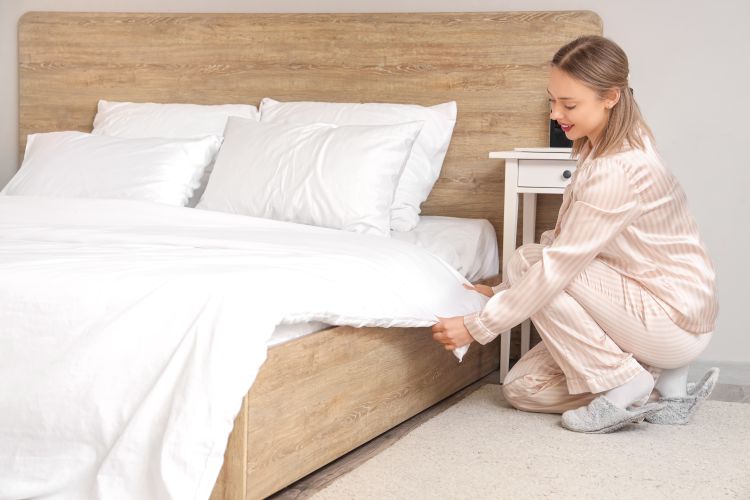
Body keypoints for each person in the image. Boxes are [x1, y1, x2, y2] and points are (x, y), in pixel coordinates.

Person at [431, 35, 719, 434]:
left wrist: (478, 325)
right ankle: (659, 388)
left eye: (569, 105)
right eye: (552, 101)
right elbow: (569, 248)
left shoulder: (616, 168)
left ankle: (625, 380)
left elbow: (556, 266)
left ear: (611, 97)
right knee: (522, 389)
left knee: (530, 260)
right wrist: (498, 294)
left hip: (669, 317)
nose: (555, 114)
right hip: (645, 310)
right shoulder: (608, 146)